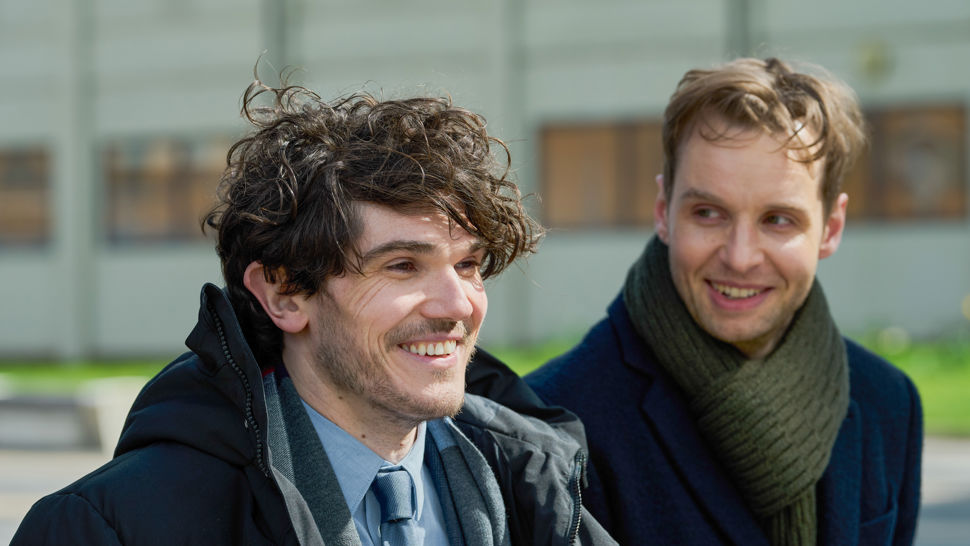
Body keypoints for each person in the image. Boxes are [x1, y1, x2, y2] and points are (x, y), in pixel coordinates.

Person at [13, 79, 615, 545]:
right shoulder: (110, 527)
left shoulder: (536, 488)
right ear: (283, 294)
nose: (458, 304)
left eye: (468, 265)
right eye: (402, 265)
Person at [525, 57, 923, 545]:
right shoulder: (552, 424)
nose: (740, 257)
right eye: (708, 213)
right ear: (663, 211)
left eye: (778, 220)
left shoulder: (888, 403)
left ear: (831, 228)